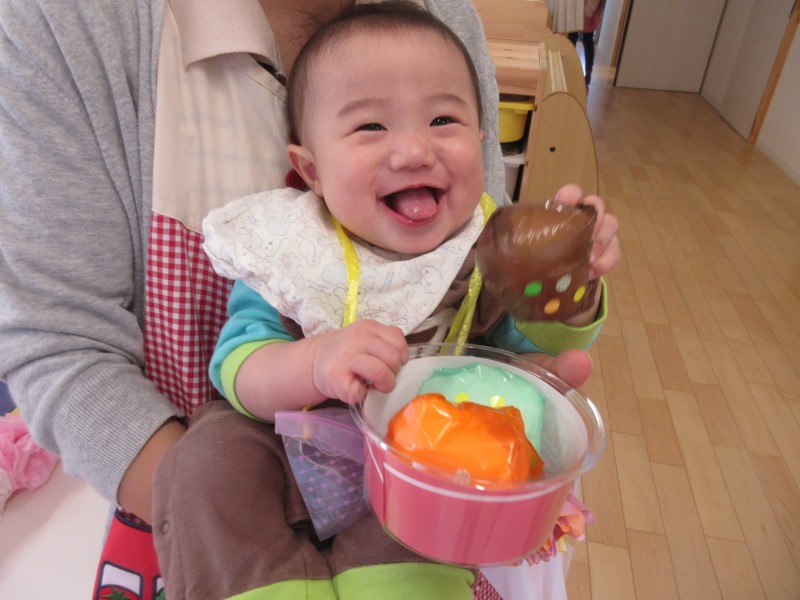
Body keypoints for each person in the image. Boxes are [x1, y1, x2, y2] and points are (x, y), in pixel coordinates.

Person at [0, 0, 618, 598]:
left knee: (428, 493)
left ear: (483, 139)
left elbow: (518, 343)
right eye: (371, 127)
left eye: (443, 122)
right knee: (210, 458)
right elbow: (237, 368)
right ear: (310, 170)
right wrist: (313, 363)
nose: (414, 151)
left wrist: (567, 286)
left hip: (411, 469)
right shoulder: (294, 251)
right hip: (275, 452)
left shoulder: (475, 245)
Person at [568, 0, 606, 85]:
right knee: (587, 38)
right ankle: (587, 71)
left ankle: (569, 67)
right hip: (589, 5)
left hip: (582, 5)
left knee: (573, 36)